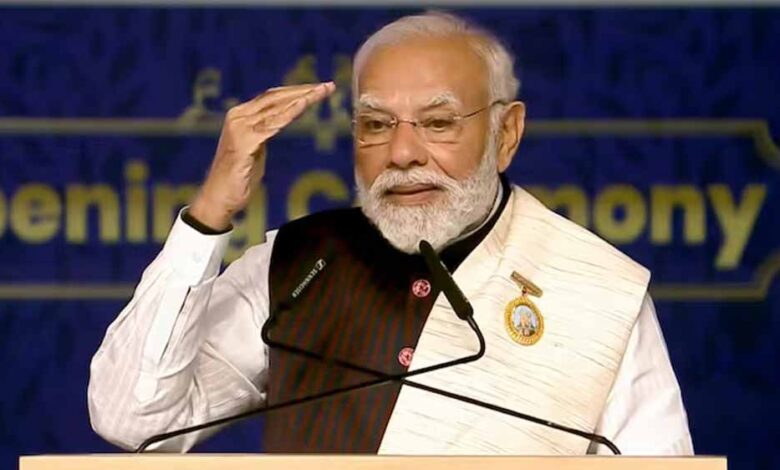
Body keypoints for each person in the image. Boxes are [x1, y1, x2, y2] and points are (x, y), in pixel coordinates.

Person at [88, 11, 694, 455]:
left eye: (438, 122)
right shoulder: (298, 265)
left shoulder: (599, 293)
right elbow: (132, 420)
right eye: (376, 124)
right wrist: (210, 213)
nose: (403, 153)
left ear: (506, 134)